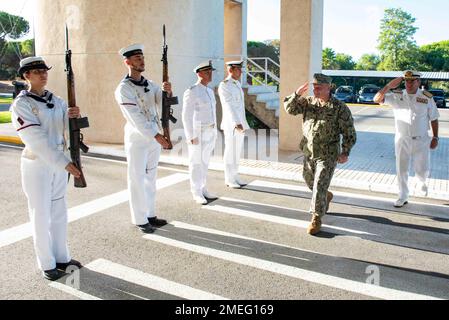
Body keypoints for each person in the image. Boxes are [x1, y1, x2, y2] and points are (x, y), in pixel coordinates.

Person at [10, 57, 83, 280]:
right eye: (37, 71)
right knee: (40, 214)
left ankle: (62, 256)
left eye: (44, 70)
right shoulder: (21, 104)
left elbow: (65, 130)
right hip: (37, 165)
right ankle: (47, 262)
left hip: (60, 163)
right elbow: (36, 140)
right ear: (26, 76)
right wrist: (64, 162)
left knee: (59, 211)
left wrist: (74, 117)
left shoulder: (58, 100)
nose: (43, 74)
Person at [284, 73, 357, 235]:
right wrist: (296, 95)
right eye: (314, 87)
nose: (316, 90)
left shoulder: (339, 108)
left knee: (319, 185)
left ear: (329, 88)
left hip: (328, 154)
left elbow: (349, 132)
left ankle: (316, 218)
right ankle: (326, 195)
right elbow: (290, 109)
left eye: (319, 87)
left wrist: (345, 151)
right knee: (309, 180)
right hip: (309, 151)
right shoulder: (308, 102)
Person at [114, 44, 171, 234]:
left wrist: (166, 92)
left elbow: (161, 103)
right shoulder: (124, 89)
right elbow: (135, 117)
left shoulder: (150, 84)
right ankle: (140, 218)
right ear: (127, 62)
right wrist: (157, 136)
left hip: (154, 136)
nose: (142, 60)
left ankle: (150, 213)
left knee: (151, 177)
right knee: (137, 178)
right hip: (138, 138)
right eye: (137, 58)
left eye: (142, 57)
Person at [374, 70, 440, 207]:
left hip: (421, 139)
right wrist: (388, 86)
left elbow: (434, 118)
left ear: (418, 82)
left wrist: (436, 137)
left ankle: (422, 181)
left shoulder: (427, 98)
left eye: (412, 81)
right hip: (402, 139)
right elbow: (376, 99)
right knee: (401, 168)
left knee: (421, 168)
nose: (409, 83)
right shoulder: (396, 96)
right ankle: (403, 195)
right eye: (406, 81)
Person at [182, 60, 218, 205]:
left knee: (205, 162)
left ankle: (203, 188)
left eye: (211, 72)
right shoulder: (192, 91)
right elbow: (186, 115)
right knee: (196, 163)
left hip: (210, 131)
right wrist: (190, 135)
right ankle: (196, 192)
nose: (210, 74)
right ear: (199, 74)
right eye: (207, 72)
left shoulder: (209, 91)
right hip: (198, 132)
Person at [218, 60, 250, 189]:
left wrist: (242, 122)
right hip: (232, 124)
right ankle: (229, 178)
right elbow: (228, 106)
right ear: (231, 70)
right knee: (230, 151)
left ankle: (235, 175)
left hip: (240, 122)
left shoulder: (236, 84)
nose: (241, 72)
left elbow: (240, 107)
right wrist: (237, 123)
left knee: (237, 151)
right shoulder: (224, 85)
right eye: (238, 69)